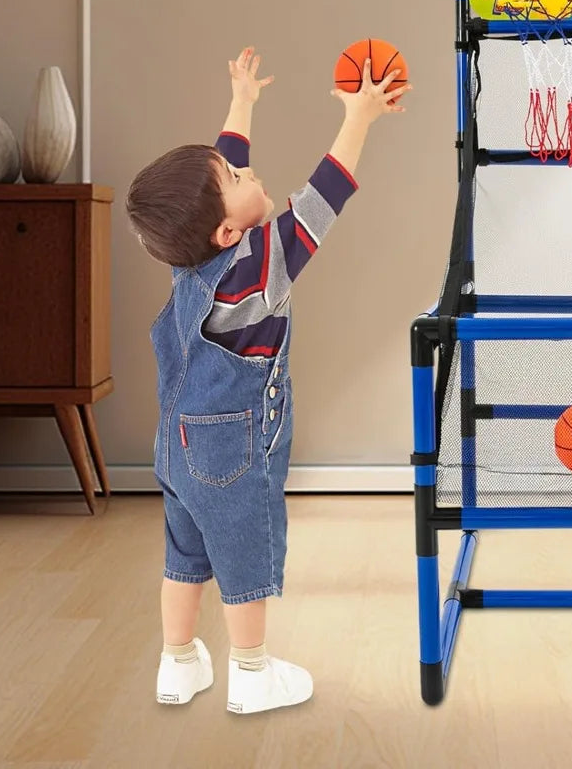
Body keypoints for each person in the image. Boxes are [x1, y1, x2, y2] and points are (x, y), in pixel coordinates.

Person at [126, 46, 410, 714]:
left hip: (175, 444)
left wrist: (243, 103)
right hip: (230, 450)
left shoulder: (189, 256)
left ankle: (176, 664)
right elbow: (325, 196)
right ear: (229, 229)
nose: (248, 168)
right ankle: (251, 673)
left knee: (184, 554)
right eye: (236, 174)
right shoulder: (265, 264)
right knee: (242, 554)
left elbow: (216, 177)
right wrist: (360, 116)